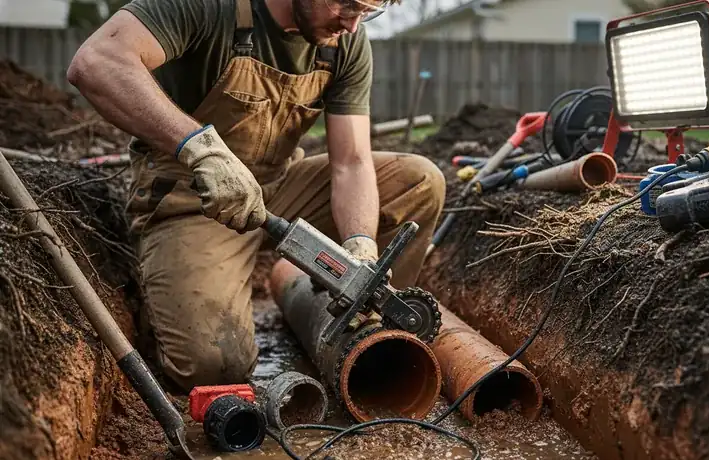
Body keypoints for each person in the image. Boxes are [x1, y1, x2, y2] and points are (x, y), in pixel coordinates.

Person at [66, 0, 446, 392]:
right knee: (214, 367)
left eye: (367, 11)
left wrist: (361, 247)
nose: (352, 24)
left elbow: (350, 162)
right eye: (347, 4)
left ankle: (371, 336)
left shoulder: (344, 40)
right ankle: (166, 296)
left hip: (277, 190)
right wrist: (200, 149)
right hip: (193, 200)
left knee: (418, 181)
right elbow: (97, 61)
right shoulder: (210, 7)